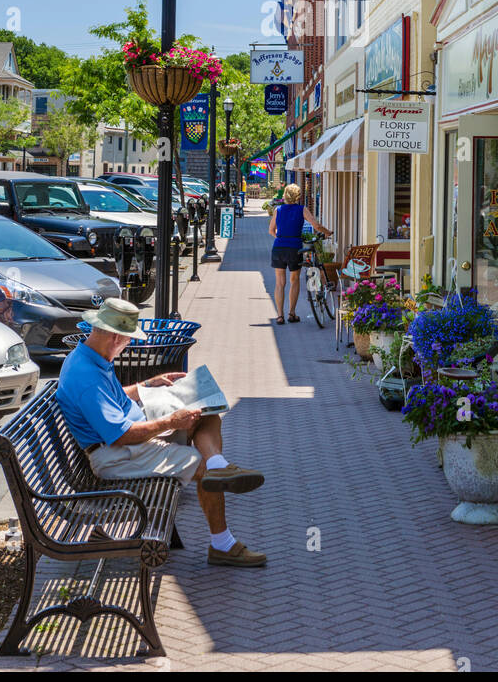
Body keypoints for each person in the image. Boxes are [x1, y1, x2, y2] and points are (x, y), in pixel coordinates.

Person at [56, 297, 267, 568]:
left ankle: (220, 466)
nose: (130, 343)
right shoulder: (86, 376)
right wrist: (170, 423)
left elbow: (113, 400)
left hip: (127, 440)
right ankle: (223, 544)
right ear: (113, 337)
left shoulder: (90, 356)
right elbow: (120, 436)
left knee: (205, 411)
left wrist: (146, 384)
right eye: (128, 338)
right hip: (116, 455)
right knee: (201, 467)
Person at [268, 183, 331, 325]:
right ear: (298, 196)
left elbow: (271, 230)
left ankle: (279, 316)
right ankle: (291, 313)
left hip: (278, 248)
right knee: (294, 280)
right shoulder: (302, 209)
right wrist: (327, 232)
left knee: (279, 283)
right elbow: (316, 225)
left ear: (284, 195)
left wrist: (281, 238)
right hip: (294, 248)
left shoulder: (278, 210)